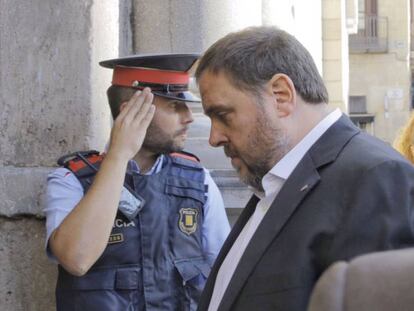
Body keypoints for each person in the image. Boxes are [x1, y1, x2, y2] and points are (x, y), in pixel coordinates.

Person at [194, 26, 414, 311]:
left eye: (223, 115)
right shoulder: (274, 182)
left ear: (281, 95)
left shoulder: (377, 178)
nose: (214, 138)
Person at [44, 54, 230, 311]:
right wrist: (119, 155)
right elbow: (77, 259)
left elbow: (226, 273)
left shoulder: (198, 181)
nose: (189, 117)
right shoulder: (71, 180)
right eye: (175, 106)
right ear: (132, 112)